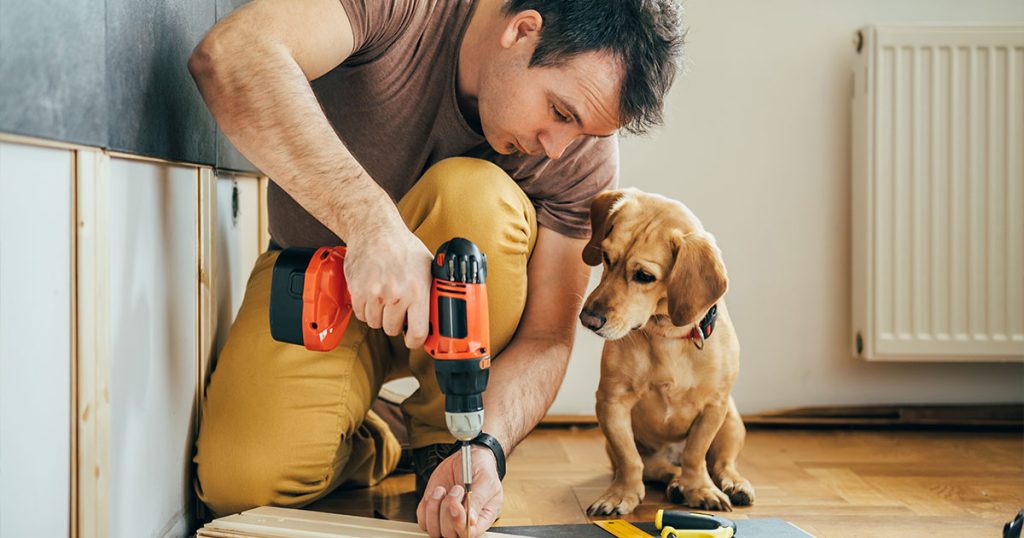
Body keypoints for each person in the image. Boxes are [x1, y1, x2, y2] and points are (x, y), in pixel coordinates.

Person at [187, 0, 684, 535]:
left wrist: (488, 444)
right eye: (561, 113)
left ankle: (444, 440)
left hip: (457, 333)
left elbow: (547, 337)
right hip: (320, 274)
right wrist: (371, 225)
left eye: (583, 133)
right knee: (242, 484)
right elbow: (233, 55)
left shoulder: (579, 156)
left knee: (472, 196)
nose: (558, 150)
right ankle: (385, 433)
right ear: (523, 30)